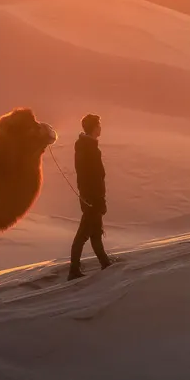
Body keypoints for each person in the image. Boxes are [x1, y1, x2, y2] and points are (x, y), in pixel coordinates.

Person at [69, 113, 114, 280]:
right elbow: (89, 176)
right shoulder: (87, 148)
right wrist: (96, 199)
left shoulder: (88, 146)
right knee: (83, 234)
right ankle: (73, 270)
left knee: (95, 232)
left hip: (91, 197)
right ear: (94, 128)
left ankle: (105, 262)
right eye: (99, 125)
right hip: (91, 198)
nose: (100, 128)